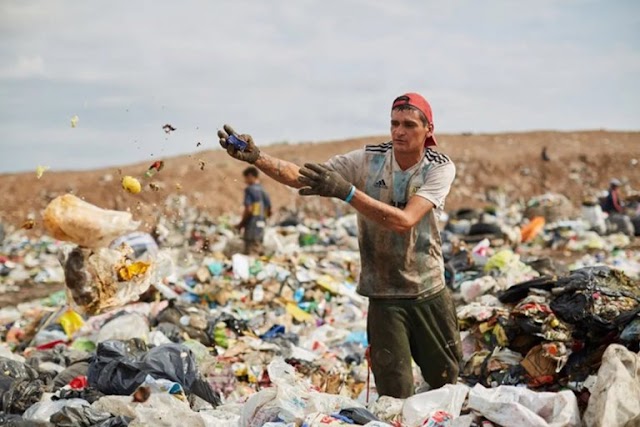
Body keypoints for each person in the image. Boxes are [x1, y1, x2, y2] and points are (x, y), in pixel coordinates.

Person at [218, 92, 462, 398]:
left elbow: (404, 221)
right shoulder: (368, 160)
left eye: (409, 124)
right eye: (394, 123)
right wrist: (258, 158)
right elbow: (304, 176)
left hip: (428, 291)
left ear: (428, 130)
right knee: (394, 395)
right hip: (384, 296)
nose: (399, 131)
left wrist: (347, 193)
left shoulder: (438, 166)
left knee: (446, 383)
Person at [237, 166, 271, 255]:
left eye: (246, 178)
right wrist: (262, 219)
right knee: (257, 253)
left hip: (251, 228)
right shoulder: (264, 191)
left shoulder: (250, 189)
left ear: (250, 176)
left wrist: (241, 224)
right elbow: (269, 210)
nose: (245, 181)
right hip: (261, 228)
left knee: (249, 256)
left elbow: (249, 209)